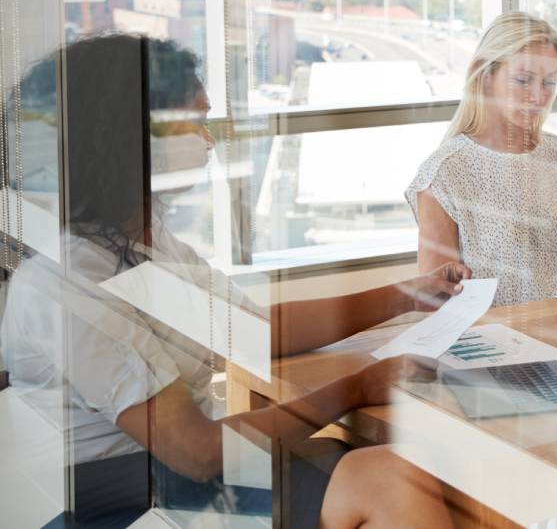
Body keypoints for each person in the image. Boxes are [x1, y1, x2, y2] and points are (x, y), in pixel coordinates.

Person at [1, 34, 458, 528]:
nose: (210, 140)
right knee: (388, 478)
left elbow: (247, 331)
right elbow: (196, 452)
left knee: (353, 453)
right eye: (195, 121)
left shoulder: (137, 241)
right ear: (132, 137)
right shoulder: (72, 280)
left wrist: (403, 297)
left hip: (155, 476)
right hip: (114, 500)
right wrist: (355, 388)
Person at [408, 13, 557, 307]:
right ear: (484, 75)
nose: (538, 97)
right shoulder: (444, 173)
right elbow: (431, 303)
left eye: (549, 82)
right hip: (497, 339)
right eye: (523, 80)